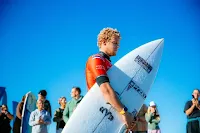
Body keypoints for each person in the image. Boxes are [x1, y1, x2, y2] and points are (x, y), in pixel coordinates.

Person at [85, 27, 135, 130]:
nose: (117, 46)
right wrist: (124, 112)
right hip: (98, 114)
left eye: (118, 44)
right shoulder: (96, 59)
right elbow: (106, 89)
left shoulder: (111, 65)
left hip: (112, 114)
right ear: (104, 42)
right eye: (114, 43)